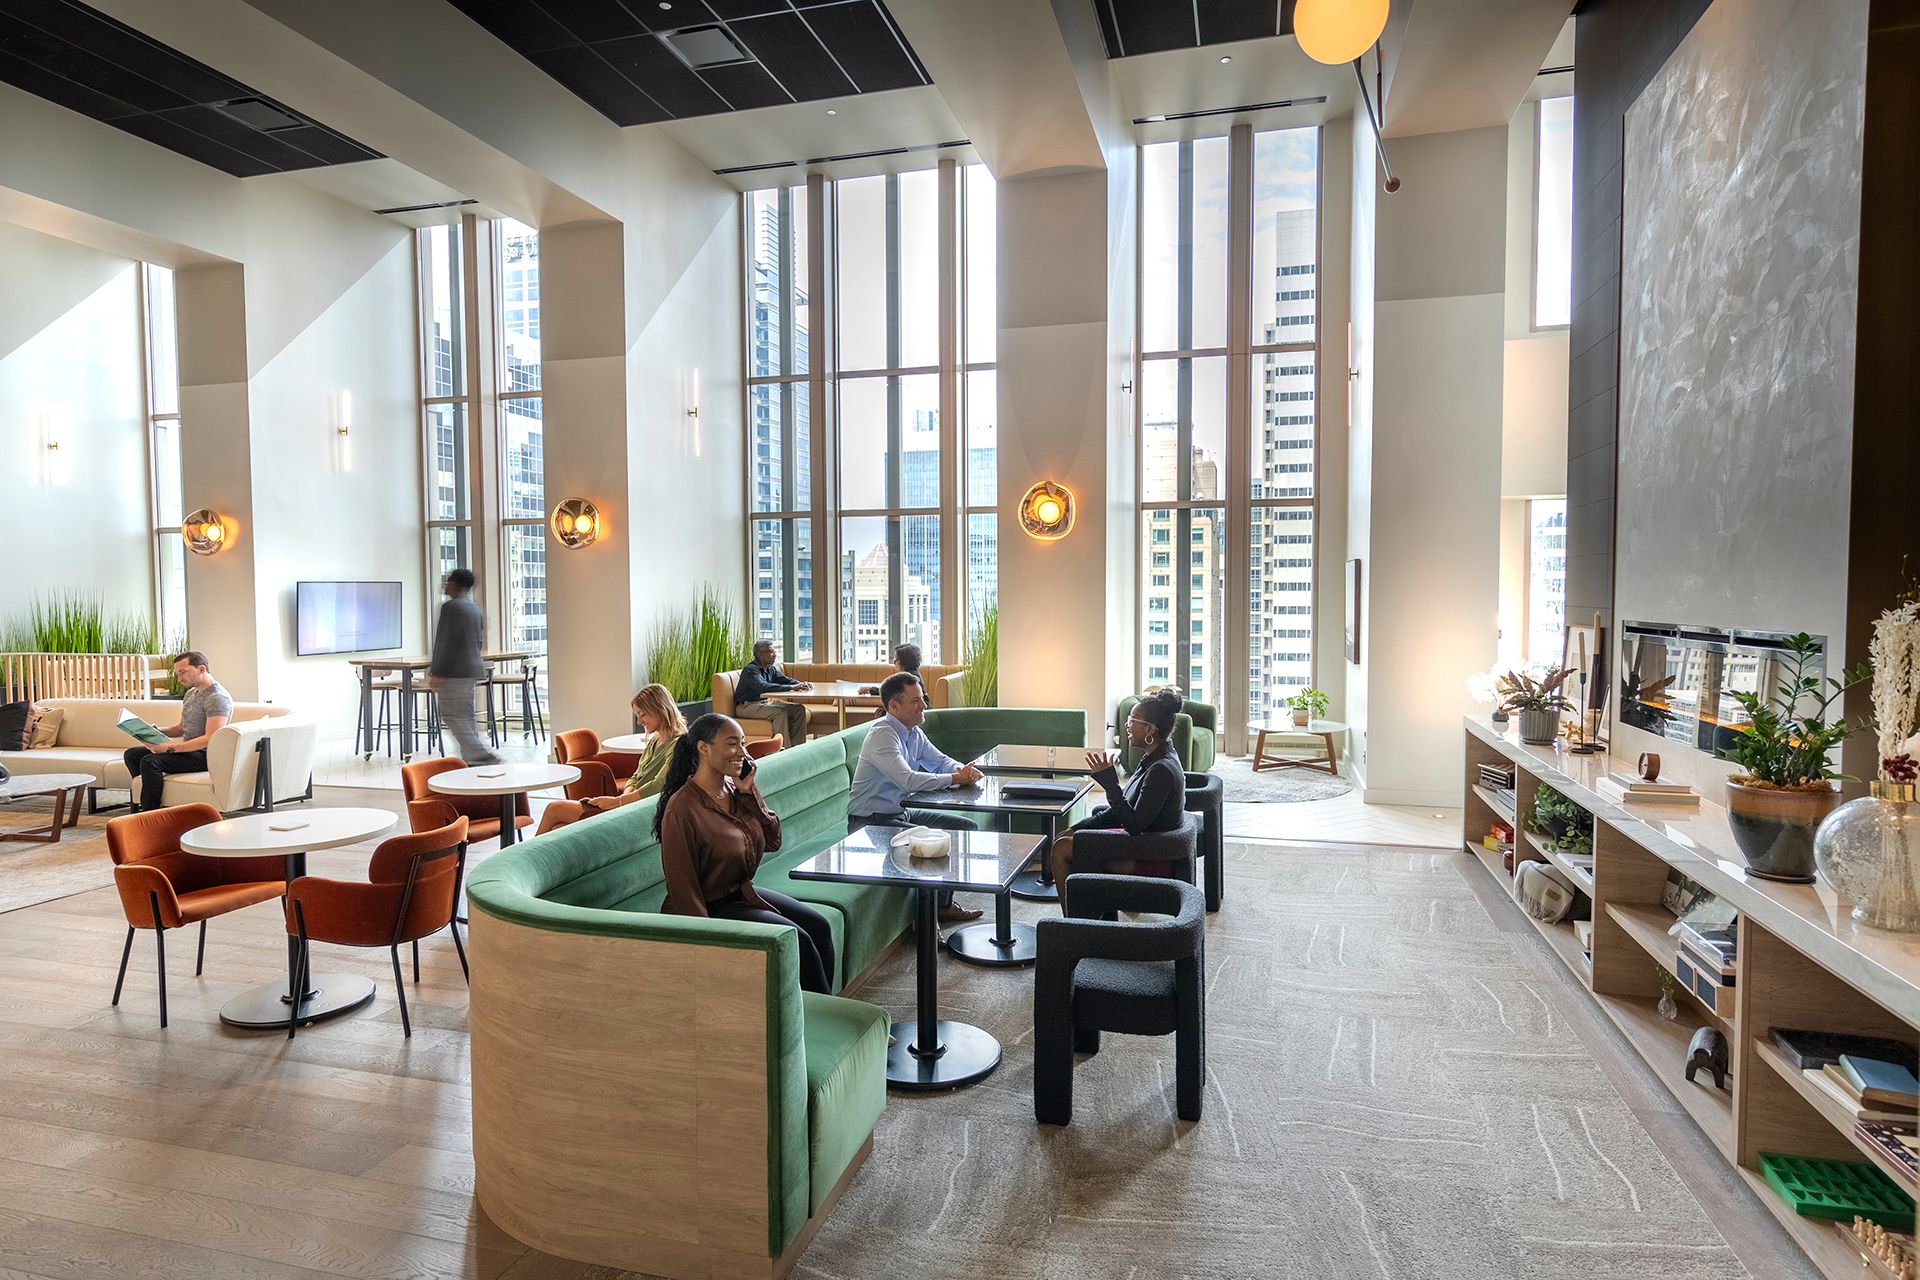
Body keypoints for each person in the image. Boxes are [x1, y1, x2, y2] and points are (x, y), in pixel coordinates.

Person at [654, 714, 836, 995]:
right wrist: (704, 942)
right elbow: (683, 887)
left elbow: (773, 840)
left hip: (740, 893)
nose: (742, 752)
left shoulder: (735, 790)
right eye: (732, 743)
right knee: (798, 940)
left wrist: (749, 792)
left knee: (819, 926)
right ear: (703, 748)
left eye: (743, 743)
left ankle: (826, 1009)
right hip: (710, 907)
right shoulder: (682, 809)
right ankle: (819, 1017)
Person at [846, 672, 985, 923]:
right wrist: (956, 778)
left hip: (900, 812)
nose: (924, 705)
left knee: (964, 828)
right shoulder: (883, 734)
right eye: (916, 701)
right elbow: (908, 780)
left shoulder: (914, 732)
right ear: (894, 705)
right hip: (869, 823)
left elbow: (940, 761)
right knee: (930, 845)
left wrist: (964, 771)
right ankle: (926, 921)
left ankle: (942, 906)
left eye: (922, 698)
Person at [1047, 688, 1188, 906]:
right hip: (1142, 844)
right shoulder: (1156, 758)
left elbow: (1134, 825)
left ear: (1150, 729)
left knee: (1061, 849)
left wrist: (1111, 785)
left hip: (1151, 855)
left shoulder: (1160, 769)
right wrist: (1076, 828)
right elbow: (1120, 811)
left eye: (1132, 720)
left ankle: (1075, 921)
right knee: (1066, 839)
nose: (1126, 725)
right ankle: (1085, 913)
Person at [122, 651, 232, 813]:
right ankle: (147, 798)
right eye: (177, 674)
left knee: (150, 762)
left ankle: (150, 813)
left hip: (206, 756)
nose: (179, 679)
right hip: (190, 752)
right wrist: (157, 730)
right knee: (132, 755)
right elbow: (182, 728)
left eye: (183, 672)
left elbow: (210, 739)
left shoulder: (217, 698)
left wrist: (169, 748)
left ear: (201, 669)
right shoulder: (191, 694)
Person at [424, 568, 498, 766]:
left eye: (448, 581)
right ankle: (472, 761)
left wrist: (437, 671)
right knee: (465, 716)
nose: (445, 585)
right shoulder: (475, 608)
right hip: (472, 669)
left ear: (455, 584)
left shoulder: (450, 608)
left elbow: (444, 642)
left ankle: (480, 755)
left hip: (454, 672)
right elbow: (478, 641)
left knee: (451, 715)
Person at [578, 684, 686, 818]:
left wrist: (617, 802)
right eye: (637, 715)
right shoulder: (654, 740)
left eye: (642, 714)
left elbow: (659, 785)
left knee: (558, 809)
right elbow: (636, 777)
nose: (639, 721)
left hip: (646, 810)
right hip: (631, 805)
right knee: (560, 820)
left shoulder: (678, 745)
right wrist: (623, 801)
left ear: (660, 710)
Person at [735, 640, 811, 746]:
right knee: (779, 712)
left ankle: (798, 747)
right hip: (747, 706)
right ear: (760, 654)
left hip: (764, 703)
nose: (775, 654)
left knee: (798, 709)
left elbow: (784, 680)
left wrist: (800, 684)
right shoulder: (751, 670)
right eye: (771, 652)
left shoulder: (770, 668)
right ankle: (784, 750)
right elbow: (762, 687)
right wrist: (792, 687)